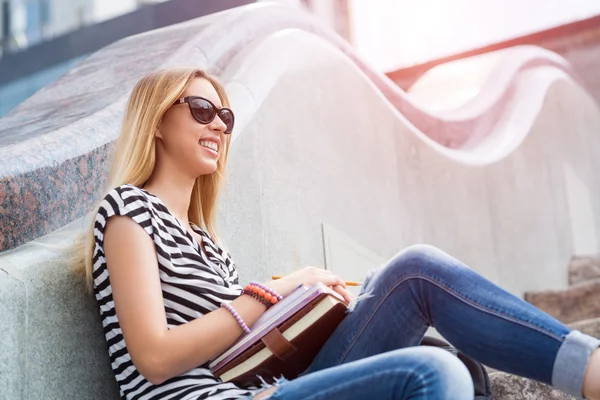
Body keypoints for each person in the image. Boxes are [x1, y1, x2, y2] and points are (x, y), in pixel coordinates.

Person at [73, 67, 600, 400]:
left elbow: (240, 351)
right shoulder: (127, 211)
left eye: (226, 117)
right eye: (202, 110)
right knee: (435, 374)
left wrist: (320, 304)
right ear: (158, 122)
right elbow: (155, 357)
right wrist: (270, 293)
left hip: (264, 388)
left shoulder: (210, 243)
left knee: (411, 271)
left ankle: (590, 368)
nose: (218, 126)